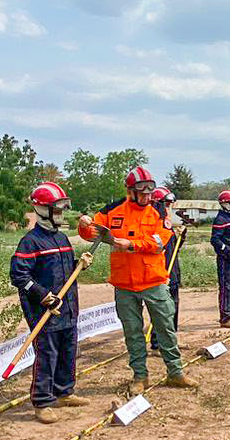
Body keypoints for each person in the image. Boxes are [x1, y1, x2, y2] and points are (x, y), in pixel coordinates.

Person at [83, 166, 196, 395]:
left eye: (149, 192)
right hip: (124, 284)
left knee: (165, 327)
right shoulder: (113, 210)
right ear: (130, 191)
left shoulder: (157, 212)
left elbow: (159, 242)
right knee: (133, 332)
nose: (146, 196)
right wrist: (85, 225)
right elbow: (92, 233)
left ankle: (175, 373)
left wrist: (132, 245)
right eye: (142, 192)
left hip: (153, 281)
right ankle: (139, 376)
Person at [11, 182, 93, 424]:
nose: (60, 215)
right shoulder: (30, 242)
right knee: (47, 355)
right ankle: (43, 401)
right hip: (44, 311)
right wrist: (42, 295)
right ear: (42, 210)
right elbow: (19, 277)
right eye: (56, 210)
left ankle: (64, 392)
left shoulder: (62, 238)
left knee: (68, 350)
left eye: (61, 210)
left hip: (67, 308)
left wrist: (80, 262)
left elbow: (65, 270)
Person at [152, 186, 186, 330]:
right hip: (161, 273)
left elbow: (173, 249)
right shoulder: (154, 225)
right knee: (161, 310)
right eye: (166, 204)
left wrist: (181, 237)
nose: (168, 208)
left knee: (173, 306)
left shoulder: (167, 224)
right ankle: (157, 342)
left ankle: (172, 339)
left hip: (173, 271)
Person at [210, 189, 230, 325]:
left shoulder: (229, 218)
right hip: (225, 259)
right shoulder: (220, 219)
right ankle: (225, 317)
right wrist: (229, 251)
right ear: (225, 204)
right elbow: (215, 240)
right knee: (226, 287)